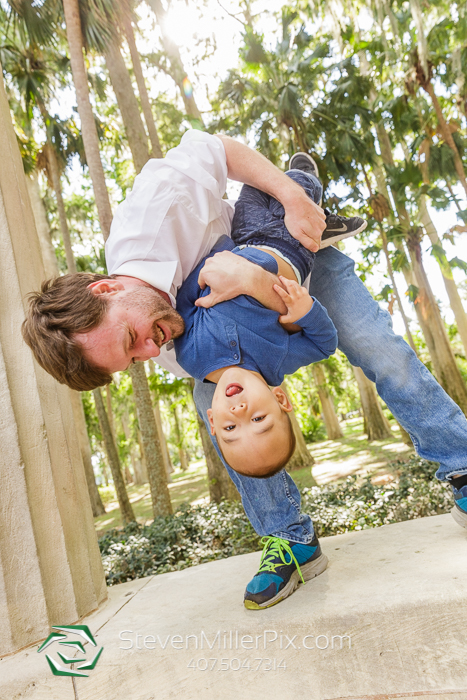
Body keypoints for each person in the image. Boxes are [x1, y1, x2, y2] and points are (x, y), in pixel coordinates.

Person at [22, 131, 467, 612]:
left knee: (381, 349)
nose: (149, 353)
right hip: (268, 319)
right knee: (207, 401)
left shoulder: (153, 212)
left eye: (132, 338)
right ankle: (290, 538)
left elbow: (221, 150)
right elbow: (248, 371)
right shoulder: (163, 346)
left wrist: (294, 200)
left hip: (296, 264)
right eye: (132, 360)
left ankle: (462, 466)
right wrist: (255, 391)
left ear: (105, 289)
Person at [174, 168, 341, 477]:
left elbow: (185, 306)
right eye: (259, 420)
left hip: (243, 235)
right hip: (289, 248)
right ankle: (317, 209)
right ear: (280, 398)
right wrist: (305, 311)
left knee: (255, 183)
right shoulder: (277, 361)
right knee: (299, 183)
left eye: (230, 427)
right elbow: (325, 345)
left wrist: (212, 264)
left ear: (212, 420)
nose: (240, 412)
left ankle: (318, 216)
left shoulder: (191, 358)